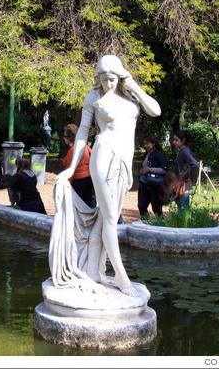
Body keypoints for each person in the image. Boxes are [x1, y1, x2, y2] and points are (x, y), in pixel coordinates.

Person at [54, 55, 161, 296]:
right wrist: (71, 168)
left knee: (104, 218)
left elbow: (155, 111)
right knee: (112, 218)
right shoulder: (94, 97)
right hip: (104, 155)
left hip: (124, 159)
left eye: (113, 79)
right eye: (104, 79)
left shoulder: (131, 95)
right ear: (98, 79)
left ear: (120, 76)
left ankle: (92, 270)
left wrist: (133, 85)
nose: (109, 83)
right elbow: (82, 134)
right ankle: (122, 278)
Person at [62, 124, 95, 208]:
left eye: (65, 136)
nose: (64, 138)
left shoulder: (73, 150)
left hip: (78, 180)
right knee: (89, 202)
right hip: (89, 178)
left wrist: (67, 184)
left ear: (70, 137)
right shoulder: (85, 146)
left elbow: (70, 169)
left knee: (76, 203)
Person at [165, 129, 198, 212]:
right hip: (179, 184)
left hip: (184, 185)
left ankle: (186, 225)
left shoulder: (185, 151)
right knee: (182, 209)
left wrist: (184, 177)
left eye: (176, 140)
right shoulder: (182, 151)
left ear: (183, 141)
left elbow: (195, 164)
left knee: (184, 211)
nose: (174, 142)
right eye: (173, 140)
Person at [137, 133, 169, 218]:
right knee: (141, 206)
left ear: (153, 143)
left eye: (147, 143)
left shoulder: (159, 154)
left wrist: (150, 169)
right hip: (144, 184)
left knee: (156, 208)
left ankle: (161, 225)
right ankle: (145, 223)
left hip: (155, 186)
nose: (145, 146)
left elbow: (164, 169)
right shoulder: (147, 154)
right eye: (144, 144)